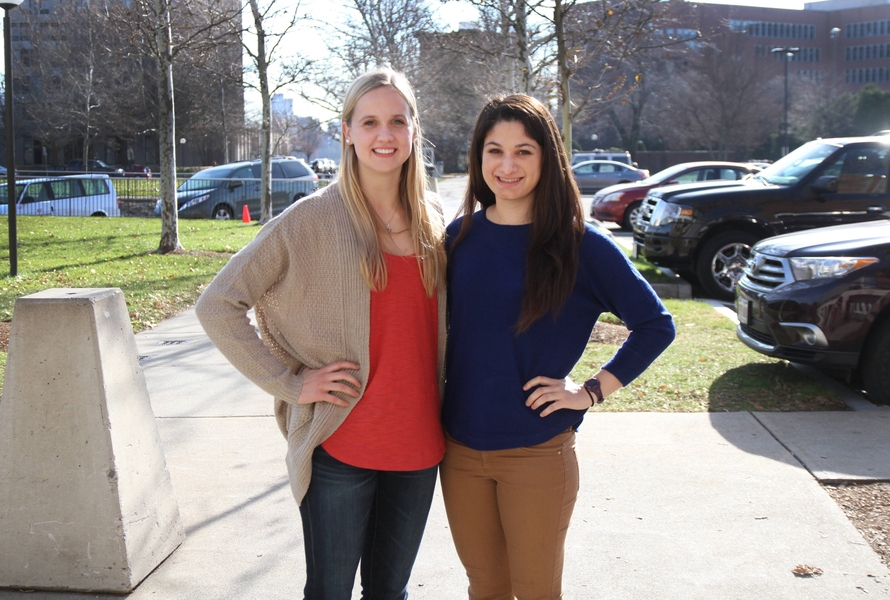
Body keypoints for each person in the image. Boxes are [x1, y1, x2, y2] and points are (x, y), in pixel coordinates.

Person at [195, 68, 447, 600]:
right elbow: (218, 304)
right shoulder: (310, 219)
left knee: (390, 593)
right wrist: (290, 383)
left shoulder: (434, 224)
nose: (385, 134)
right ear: (348, 132)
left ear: (414, 131)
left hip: (420, 447)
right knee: (329, 592)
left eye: (397, 121)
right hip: (340, 445)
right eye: (370, 121)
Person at [441, 94, 676, 600]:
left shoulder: (581, 244)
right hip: (458, 450)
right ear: (478, 158)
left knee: (536, 591)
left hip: (535, 452)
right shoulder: (458, 237)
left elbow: (656, 325)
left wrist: (591, 391)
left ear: (548, 157)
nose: (507, 166)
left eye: (524, 151)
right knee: (484, 587)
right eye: (494, 150)